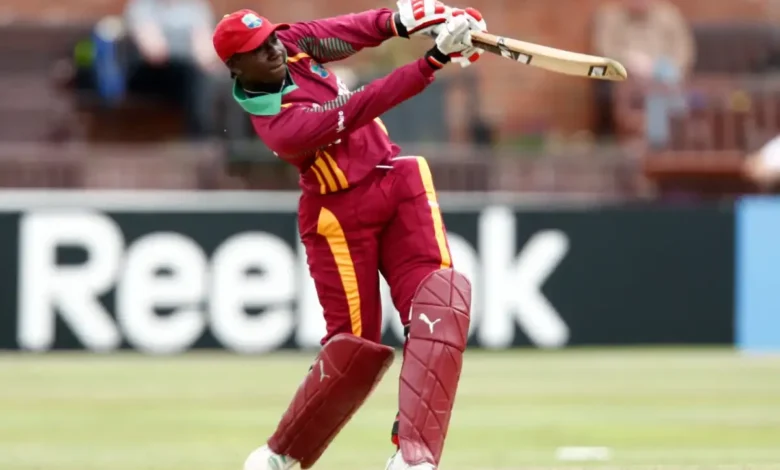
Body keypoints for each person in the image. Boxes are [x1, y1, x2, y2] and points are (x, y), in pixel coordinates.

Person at [211, 2, 485, 470]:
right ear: (236, 66)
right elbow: (357, 107)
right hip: (337, 217)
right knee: (354, 352)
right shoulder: (280, 127)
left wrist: (406, 20)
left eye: (272, 38)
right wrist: (434, 59)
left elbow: (348, 32)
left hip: (395, 182)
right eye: (259, 49)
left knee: (441, 304)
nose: (275, 49)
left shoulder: (291, 44)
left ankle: (414, 456)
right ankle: (282, 454)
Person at [592, 0, 695, 146]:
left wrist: (670, 68)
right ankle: (655, 141)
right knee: (646, 90)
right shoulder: (610, 16)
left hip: (664, 76)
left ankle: (658, 141)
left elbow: (684, 51)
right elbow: (603, 50)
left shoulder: (669, 15)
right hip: (626, 76)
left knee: (663, 84)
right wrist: (628, 62)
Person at [123, 0, 224, 139]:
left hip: (188, 72)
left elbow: (206, 52)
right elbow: (154, 52)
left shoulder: (196, 7)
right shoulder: (141, 7)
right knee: (193, 76)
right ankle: (201, 136)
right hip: (149, 73)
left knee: (219, 77)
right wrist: (191, 52)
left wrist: (203, 59)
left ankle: (226, 137)